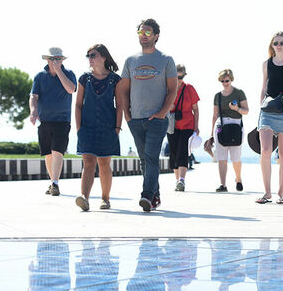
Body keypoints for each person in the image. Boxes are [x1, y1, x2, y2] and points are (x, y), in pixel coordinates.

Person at [119, 19, 178, 212]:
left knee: (151, 157)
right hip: (135, 119)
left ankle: (146, 195)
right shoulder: (130, 61)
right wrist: (127, 115)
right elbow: (124, 90)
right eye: (140, 32)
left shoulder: (166, 60)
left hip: (157, 120)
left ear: (156, 36)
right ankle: (155, 196)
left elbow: (172, 90)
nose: (143, 36)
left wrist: (161, 114)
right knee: (144, 160)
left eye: (147, 33)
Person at [74, 44, 122, 211]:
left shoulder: (115, 80)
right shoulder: (84, 79)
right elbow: (78, 105)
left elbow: (120, 106)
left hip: (108, 127)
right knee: (88, 162)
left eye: (93, 55)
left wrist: (117, 128)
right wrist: (79, 128)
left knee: (104, 163)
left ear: (103, 57)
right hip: (87, 127)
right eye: (88, 56)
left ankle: (105, 199)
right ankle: (84, 197)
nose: (90, 58)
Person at [256, 32, 283, 204]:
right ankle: (267, 192)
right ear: (272, 45)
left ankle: (280, 193)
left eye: (282, 42)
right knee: (266, 150)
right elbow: (263, 87)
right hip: (267, 108)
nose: (279, 45)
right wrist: (260, 107)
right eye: (276, 43)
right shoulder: (266, 64)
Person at [29, 47, 77, 197]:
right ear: (47, 60)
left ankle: (55, 183)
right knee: (48, 154)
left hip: (62, 120)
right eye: (52, 58)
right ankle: (52, 182)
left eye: (58, 58)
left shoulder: (69, 74)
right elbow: (33, 96)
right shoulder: (39, 77)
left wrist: (59, 72)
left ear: (62, 60)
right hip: (44, 120)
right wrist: (33, 110)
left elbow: (71, 89)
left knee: (58, 151)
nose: (55, 61)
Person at [206, 69, 248, 192]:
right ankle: (223, 184)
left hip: (236, 126)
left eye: (227, 81)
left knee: (236, 157)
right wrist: (211, 135)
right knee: (221, 157)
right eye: (222, 81)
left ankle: (238, 179)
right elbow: (215, 115)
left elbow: (246, 111)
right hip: (221, 126)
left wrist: (237, 109)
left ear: (231, 79)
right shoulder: (217, 96)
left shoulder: (239, 93)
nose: (225, 83)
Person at [167, 64, 200, 192]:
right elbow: (165, 106)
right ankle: (177, 181)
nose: (179, 80)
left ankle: (182, 179)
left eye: (181, 77)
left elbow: (195, 109)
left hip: (187, 125)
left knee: (182, 150)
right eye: (177, 77)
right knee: (173, 152)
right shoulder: (168, 88)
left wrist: (196, 127)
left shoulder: (189, 88)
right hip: (172, 125)